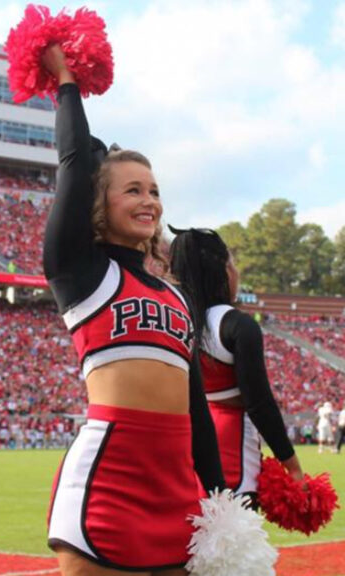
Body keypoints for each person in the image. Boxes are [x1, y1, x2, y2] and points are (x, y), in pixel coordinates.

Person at [40, 44, 224, 574]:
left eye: (155, 191)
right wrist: (67, 82)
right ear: (100, 203)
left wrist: (219, 501)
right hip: (109, 482)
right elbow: (75, 165)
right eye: (133, 190)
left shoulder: (175, 295)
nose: (150, 201)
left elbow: (196, 411)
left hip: (177, 489)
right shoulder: (80, 270)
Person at [169, 227, 302, 506]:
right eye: (234, 263)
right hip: (231, 444)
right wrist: (291, 464)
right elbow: (259, 403)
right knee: (235, 538)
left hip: (185, 443)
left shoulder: (175, 319)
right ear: (224, 270)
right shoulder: (236, 324)